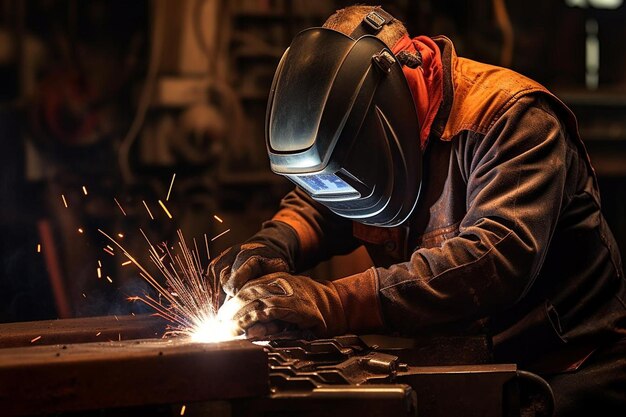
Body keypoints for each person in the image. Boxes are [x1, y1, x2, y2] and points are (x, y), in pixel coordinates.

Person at [213, 5, 626, 415]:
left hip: (565, 366)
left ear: (399, 86)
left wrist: (332, 303)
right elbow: (332, 199)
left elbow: (495, 259)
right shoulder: (381, 128)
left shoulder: (511, 116)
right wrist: (275, 242)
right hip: (466, 359)